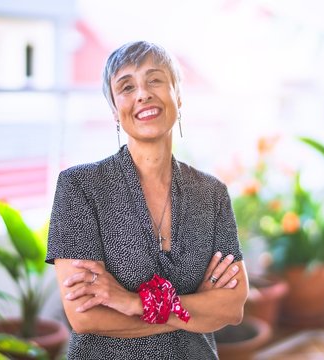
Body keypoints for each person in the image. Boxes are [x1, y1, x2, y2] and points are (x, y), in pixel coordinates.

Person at [46, 40, 249, 359]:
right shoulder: (80, 187)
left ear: (178, 97)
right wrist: (195, 312)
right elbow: (85, 316)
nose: (142, 93)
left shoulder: (212, 193)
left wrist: (134, 303)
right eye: (126, 86)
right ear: (115, 110)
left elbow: (232, 306)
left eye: (155, 79)